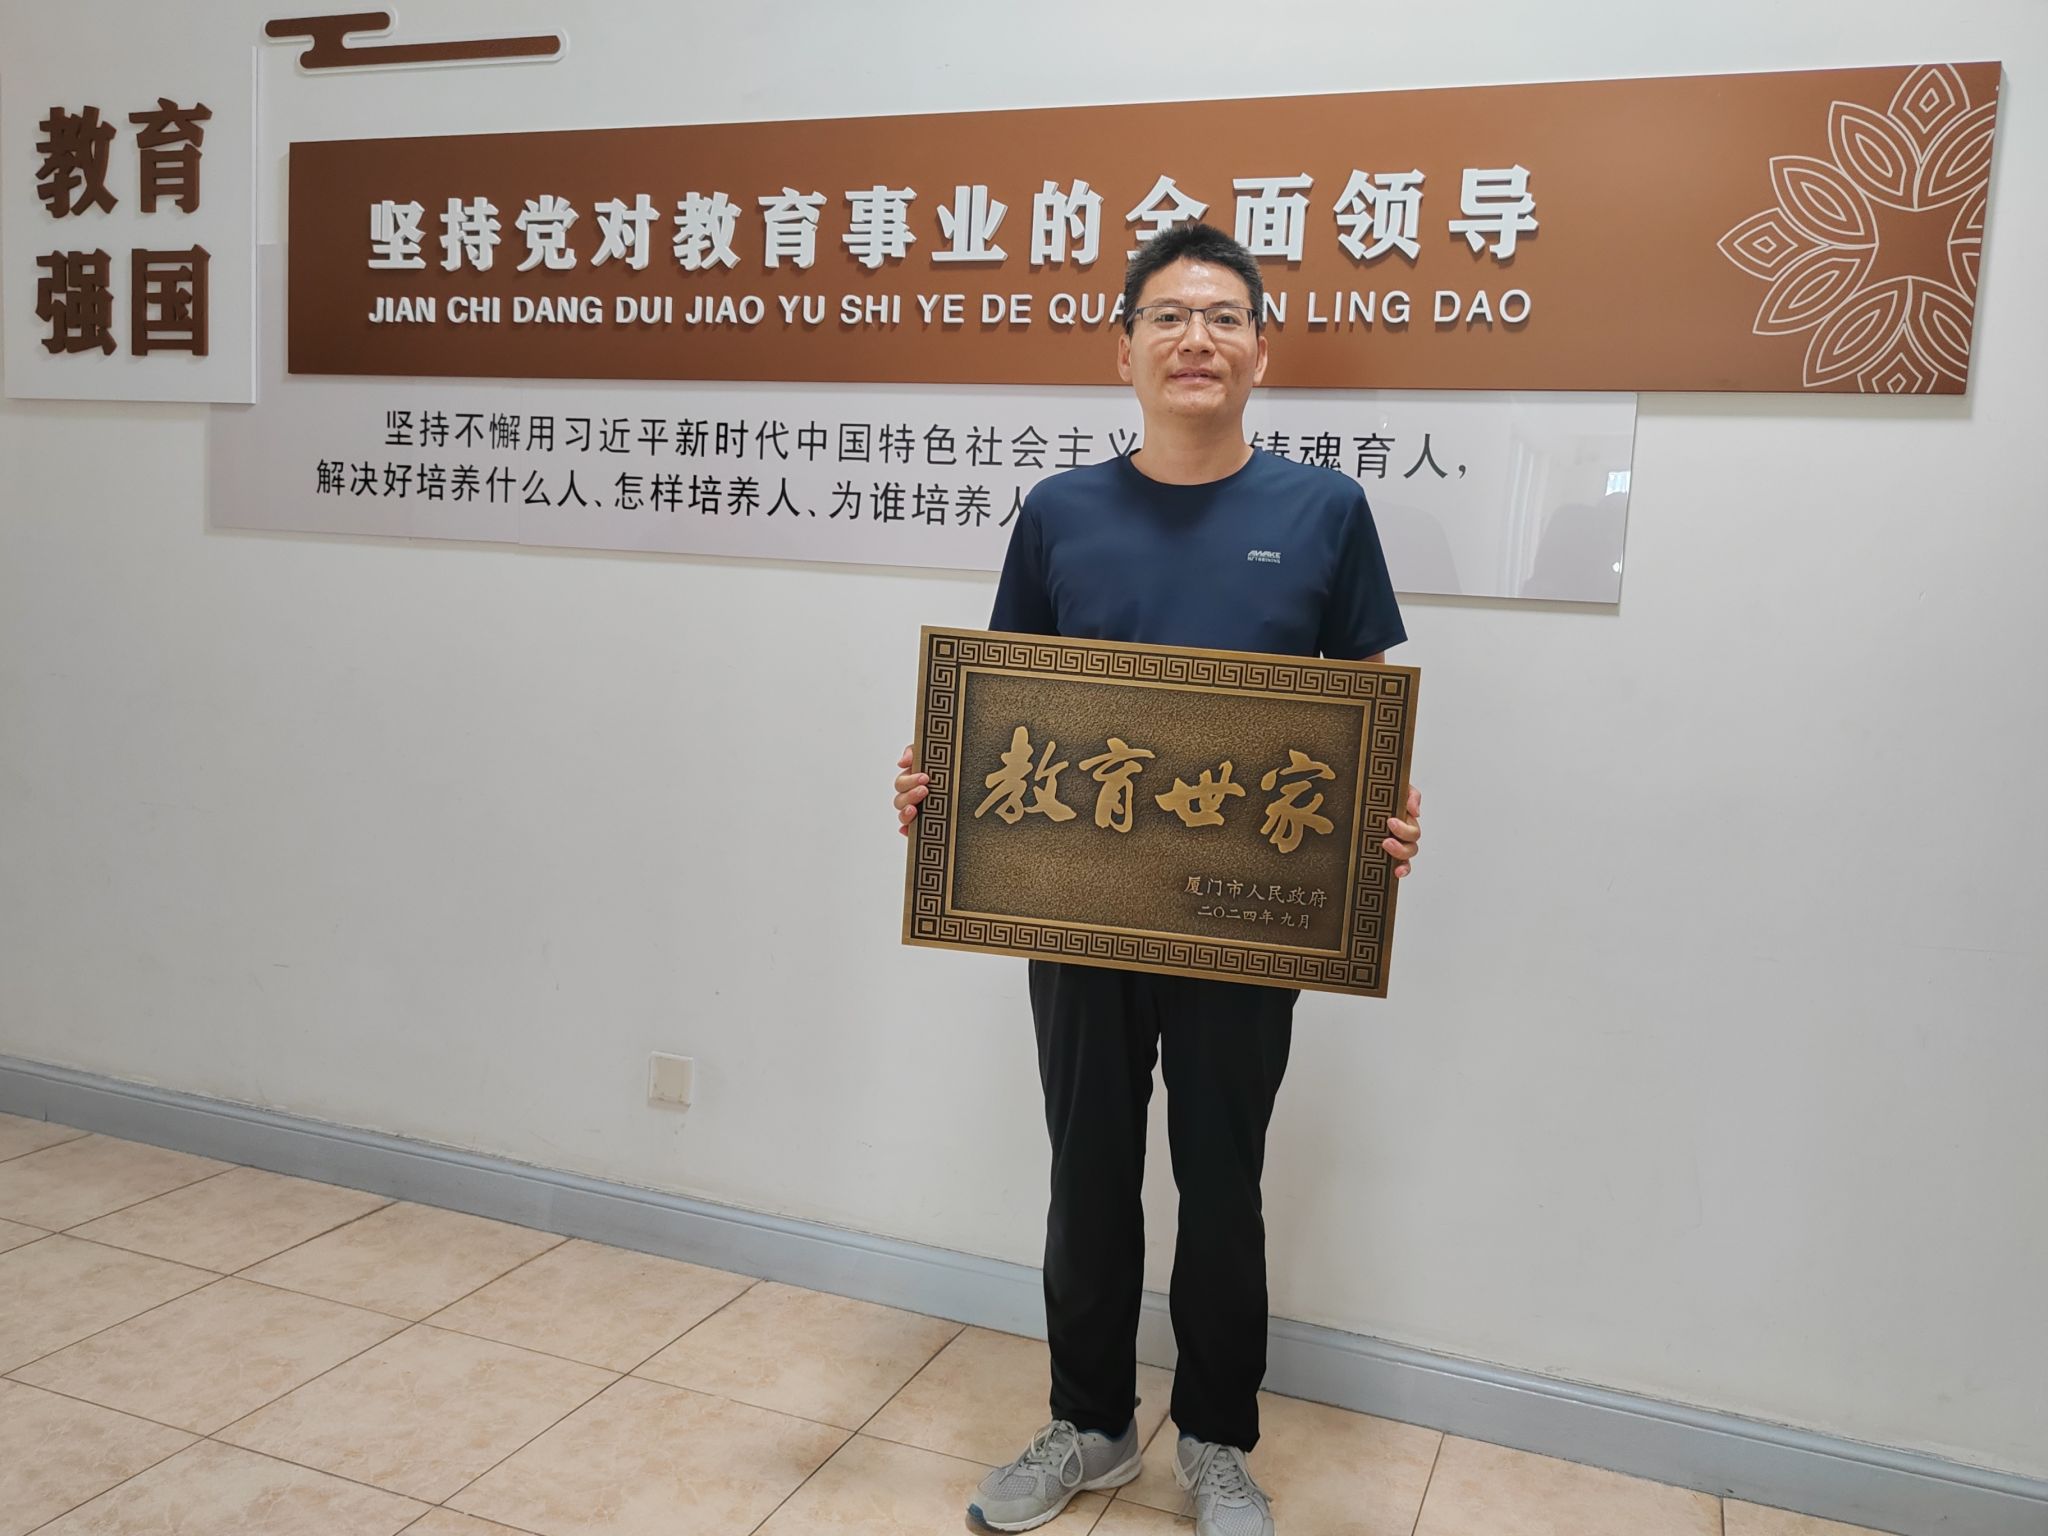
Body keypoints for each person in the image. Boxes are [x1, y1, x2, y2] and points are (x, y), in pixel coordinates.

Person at [891, 222, 1423, 1536]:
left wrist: (1380, 826)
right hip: (1074, 909)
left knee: (1222, 1179)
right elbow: (1002, 707)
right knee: (1088, 1169)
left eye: (1224, 318)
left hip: (1246, 921)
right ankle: (1091, 1425)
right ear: (1122, 348)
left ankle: (1220, 1442)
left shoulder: (1325, 512)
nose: (1197, 340)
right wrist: (938, 795)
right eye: (1170, 317)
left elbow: (1362, 718)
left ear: (1260, 351)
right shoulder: (1060, 512)